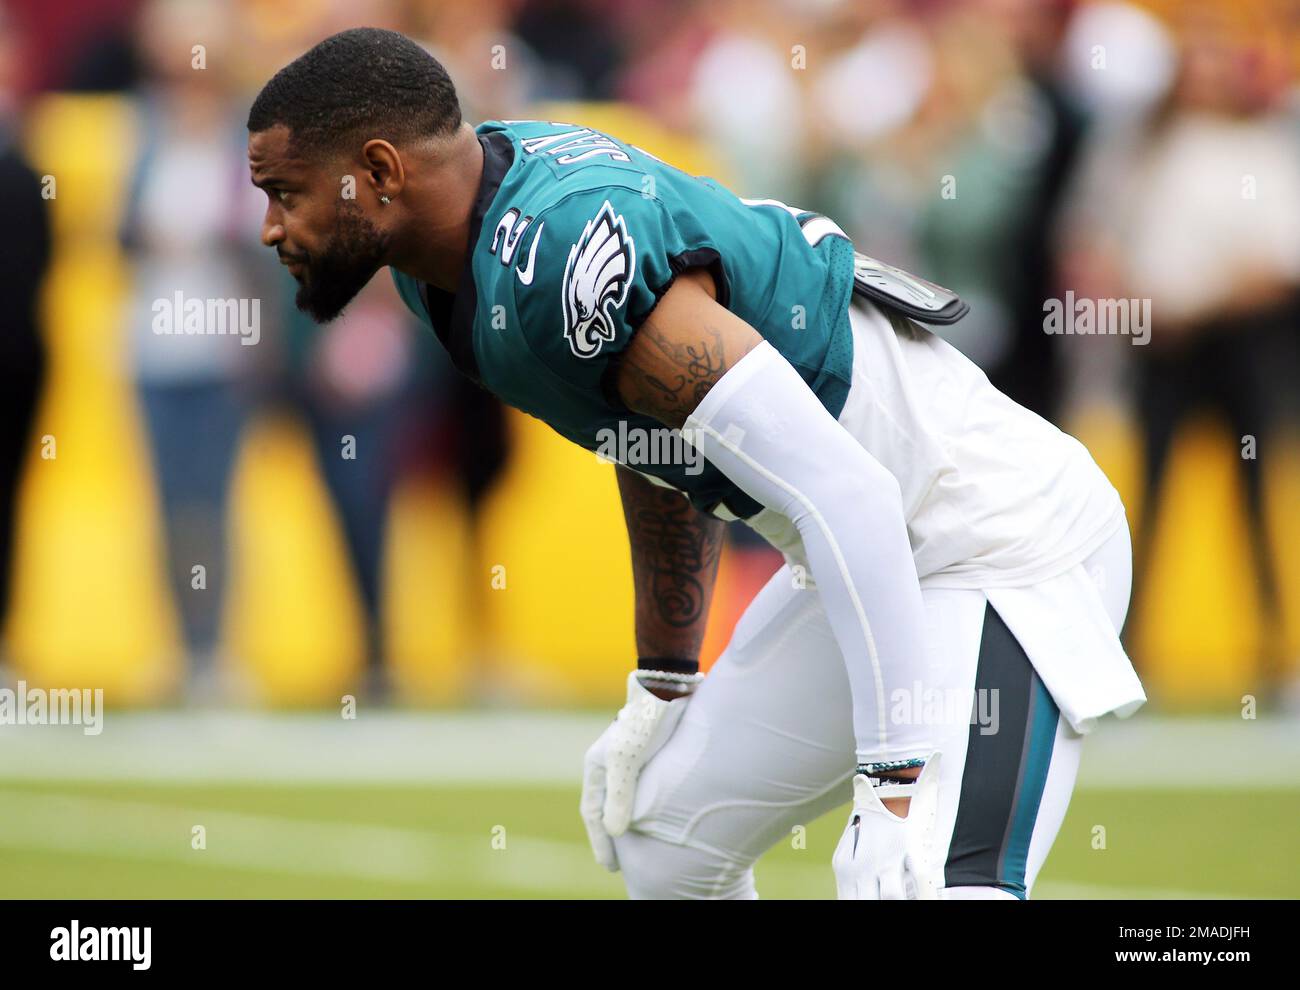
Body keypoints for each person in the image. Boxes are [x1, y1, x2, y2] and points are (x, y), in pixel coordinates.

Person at [246, 27, 1144, 900]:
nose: (271, 225)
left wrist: (893, 778)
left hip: (996, 536)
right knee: (667, 847)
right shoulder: (444, 259)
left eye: (287, 191)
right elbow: (652, 430)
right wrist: (666, 673)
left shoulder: (556, 254)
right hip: (873, 550)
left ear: (380, 171)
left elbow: (851, 494)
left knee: (916, 884)